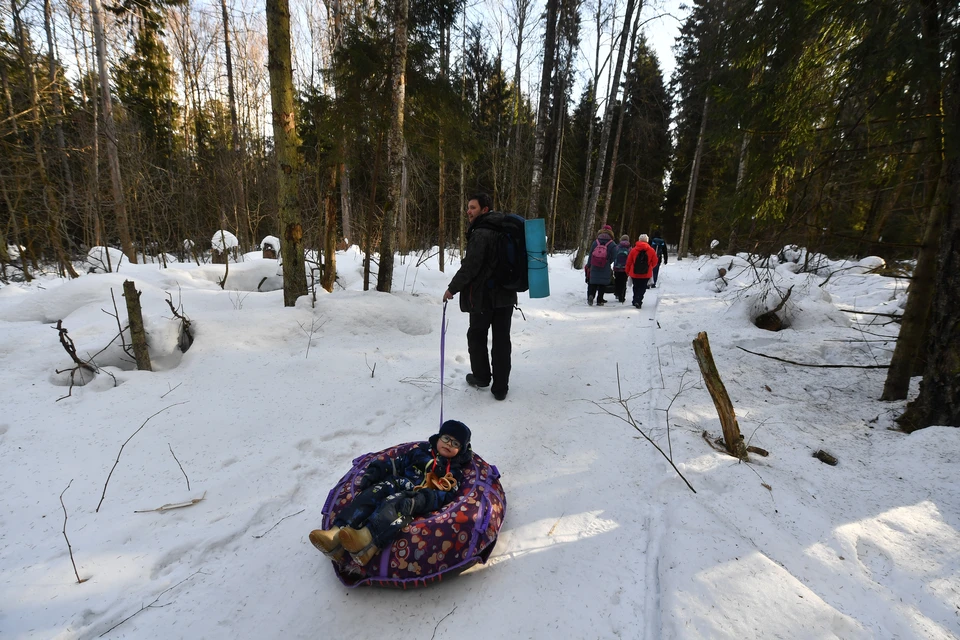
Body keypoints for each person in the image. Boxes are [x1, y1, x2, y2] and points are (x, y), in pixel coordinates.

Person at [309, 420, 473, 566]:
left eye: (455, 443)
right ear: (438, 438)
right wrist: (376, 471)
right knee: (373, 493)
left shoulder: (454, 471)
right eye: (446, 438)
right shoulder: (420, 451)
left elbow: (447, 495)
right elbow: (398, 462)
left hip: (417, 496)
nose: (449, 444)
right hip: (398, 483)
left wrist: (423, 499)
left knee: (395, 505)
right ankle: (335, 535)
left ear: (461, 449)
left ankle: (367, 540)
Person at [443, 193, 517, 401]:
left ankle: (482, 377)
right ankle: (501, 388)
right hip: (506, 296)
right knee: (502, 340)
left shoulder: (482, 233)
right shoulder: (503, 229)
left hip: (484, 297)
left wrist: (452, 289)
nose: (469, 211)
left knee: (476, 336)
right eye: (468, 207)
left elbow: (471, 266)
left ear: (485, 210)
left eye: (473, 207)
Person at [625, 233, 659, 309]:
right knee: (643, 287)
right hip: (646, 273)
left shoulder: (634, 250)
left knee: (636, 286)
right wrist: (650, 267)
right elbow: (655, 262)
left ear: (639, 240)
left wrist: (627, 271)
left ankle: (635, 299)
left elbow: (629, 262)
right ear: (647, 241)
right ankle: (639, 300)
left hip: (634, 273)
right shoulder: (651, 250)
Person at [586, 226, 617, 306]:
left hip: (594, 265)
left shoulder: (596, 242)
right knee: (602, 284)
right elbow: (614, 255)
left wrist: (589, 265)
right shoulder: (612, 244)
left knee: (593, 282)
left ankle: (591, 295)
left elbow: (591, 254)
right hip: (605, 265)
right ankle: (599, 300)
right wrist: (608, 261)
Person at [613, 234, 632, 303]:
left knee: (617, 280)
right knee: (623, 282)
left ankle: (617, 293)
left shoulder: (617, 247)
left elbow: (614, 256)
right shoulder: (629, 248)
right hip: (625, 268)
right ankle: (622, 296)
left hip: (617, 267)